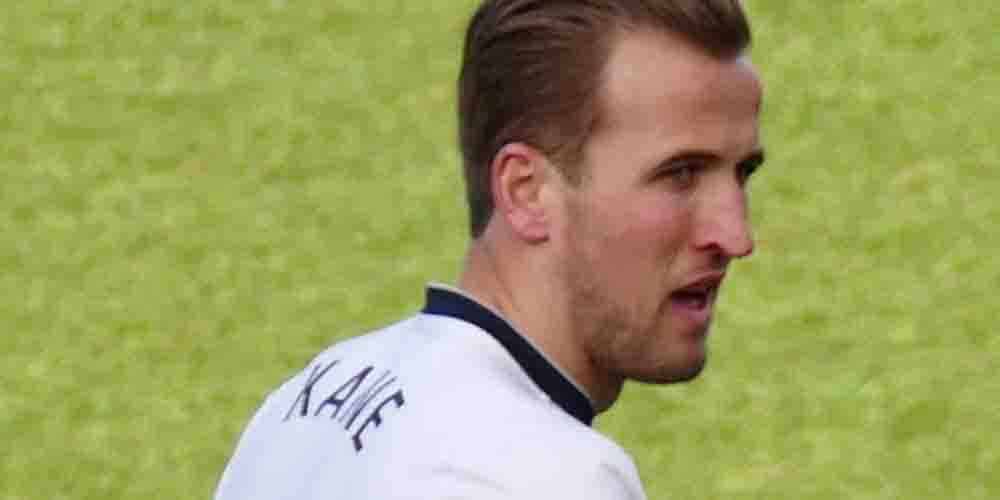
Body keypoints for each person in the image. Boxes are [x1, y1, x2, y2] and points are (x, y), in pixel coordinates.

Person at [213, 0, 765, 498]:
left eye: (742, 173)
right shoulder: (553, 476)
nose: (735, 236)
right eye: (680, 175)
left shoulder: (309, 401)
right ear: (527, 192)